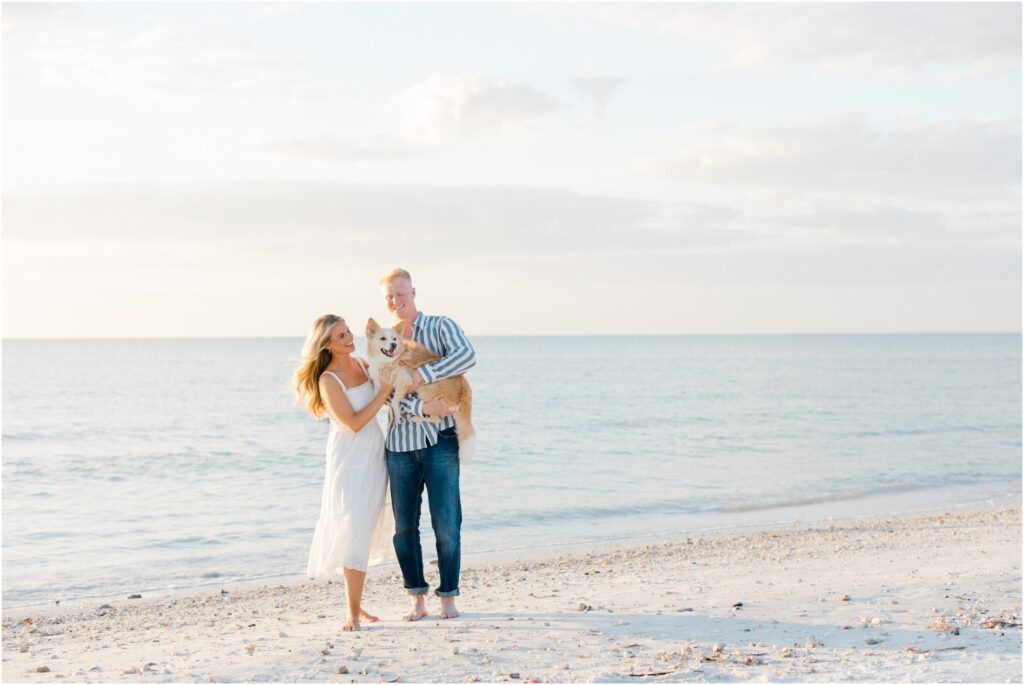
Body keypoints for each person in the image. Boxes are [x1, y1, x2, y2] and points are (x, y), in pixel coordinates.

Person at [379, 268, 476, 621]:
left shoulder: (441, 326)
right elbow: (387, 394)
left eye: (400, 293)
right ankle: (416, 597)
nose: (395, 300)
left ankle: (448, 596)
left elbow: (467, 357)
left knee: (447, 523)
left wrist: (423, 375)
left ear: (413, 291)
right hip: (400, 444)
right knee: (404, 528)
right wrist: (422, 406)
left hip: (440, 440)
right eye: (389, 296)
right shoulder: (385, 339)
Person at [293, 314, 396, 631]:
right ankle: (352, 613)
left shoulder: (364, 365)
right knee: (354, 526)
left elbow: (391, 393)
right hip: (349, 460)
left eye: (348, 331)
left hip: (374, 455)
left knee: (365, 528)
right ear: (326, 344)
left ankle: (357, 604)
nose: (350, 338)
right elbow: (352, 423)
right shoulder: (328, 379)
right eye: (341, 336)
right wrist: (383, 392)